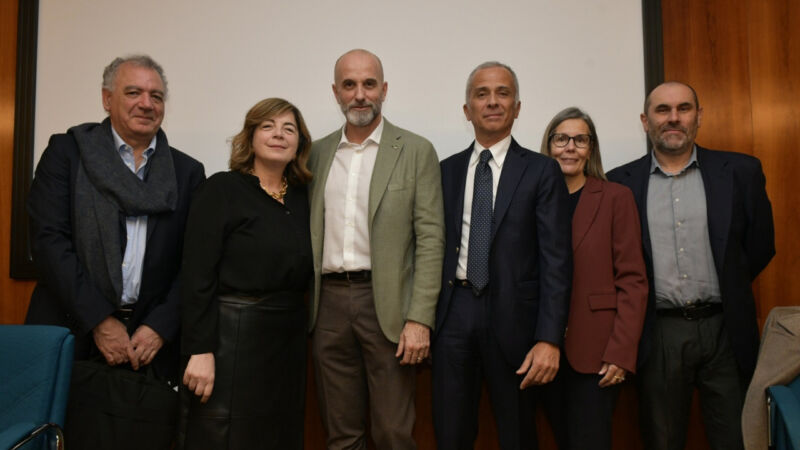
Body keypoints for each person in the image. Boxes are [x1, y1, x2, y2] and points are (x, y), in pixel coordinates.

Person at [25, 54, 205, 444]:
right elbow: (49, 242)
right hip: (69, 331)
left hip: (148, 346)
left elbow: (194, 263)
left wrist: (160, 327)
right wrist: (100, 321)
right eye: (133, 92)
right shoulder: (67, 153)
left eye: (156, 96)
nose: (146, 103)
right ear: (107, 99)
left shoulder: (187, 172)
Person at [607, 81, 775, 450]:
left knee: (735, 439)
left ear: (699, 116)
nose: (673, 118)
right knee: (663, 440)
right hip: (658, 333)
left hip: (726, 330)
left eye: (683, 108)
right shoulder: (619, 183)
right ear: (645, 121)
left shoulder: (741, 172)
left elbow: (761, 245)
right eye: (662, 110)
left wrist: (729, 282)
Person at [307, 48, 444, 450]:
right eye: (349, 85)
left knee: (393, 433)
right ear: (336, 92)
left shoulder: (416, 150)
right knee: (341, 435)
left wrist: (419, 319)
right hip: (327, 307)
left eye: (369, 84)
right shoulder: (315, 153)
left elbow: (431, 240)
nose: (360, 94)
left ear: (384, 90)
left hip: (388, 307)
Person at [433, 61, 572, 450]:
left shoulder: (542, 171)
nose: (492, 102)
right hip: (454, 313)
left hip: (516, 319)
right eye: (482, 94)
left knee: (518, 434)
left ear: (517, 107)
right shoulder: (445, 171)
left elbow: (557, 262)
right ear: (467, 110)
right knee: (450, 432)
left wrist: (549, 338)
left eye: (503, 93)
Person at [179, 98, 313, 449]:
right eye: (268, 126)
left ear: (299, 143)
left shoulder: (304, 199)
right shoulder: (222, 189)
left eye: (289, 129)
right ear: (250, 137)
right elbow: (196, 275)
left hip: (288, 344)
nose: (279, 135)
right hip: (231, 340)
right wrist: (200, 350)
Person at [538, 107, 648, 450]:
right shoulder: (531, 200)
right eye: (561, 139)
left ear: (591, 148)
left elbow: (633, 281)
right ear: (548, 146)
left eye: (580, 140)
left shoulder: (616, 197)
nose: (570, 147)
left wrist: (621, 352)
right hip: (541, 351)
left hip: (598, 352)